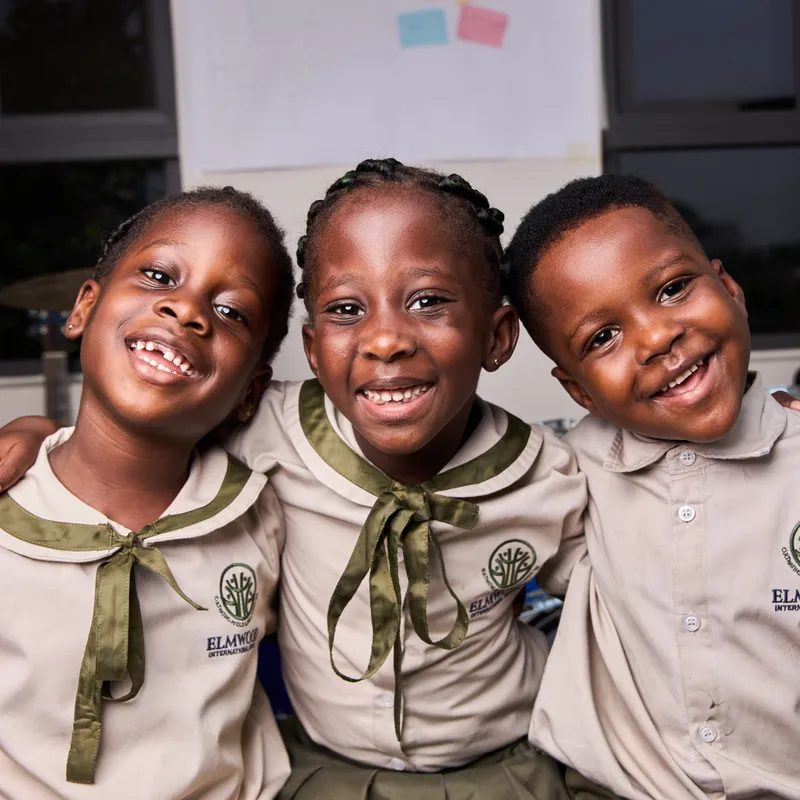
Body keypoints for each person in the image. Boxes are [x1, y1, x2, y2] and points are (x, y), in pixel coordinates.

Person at [0, 159, 617, 799]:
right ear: (314, 349)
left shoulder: (555, 474)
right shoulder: (269, 430)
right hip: (327, 774)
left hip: (506, 765)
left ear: (498, 336)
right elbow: (141, 420)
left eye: (428, 300)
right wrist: (40, 434)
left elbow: (631, 605)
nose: (385, 340)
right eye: (348, 309)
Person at [504, 174, 800, 799]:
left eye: (672, 289)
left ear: (731, 289)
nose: (656, 337)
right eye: (603, 338)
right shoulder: (568, 472)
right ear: (579, 391)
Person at [0, 186, 294, 798]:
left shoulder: (266, 512)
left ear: (250, 389)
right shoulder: (7, 503)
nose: (188, 311)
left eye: (232, 311)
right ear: (83, 308)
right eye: (159, 275)